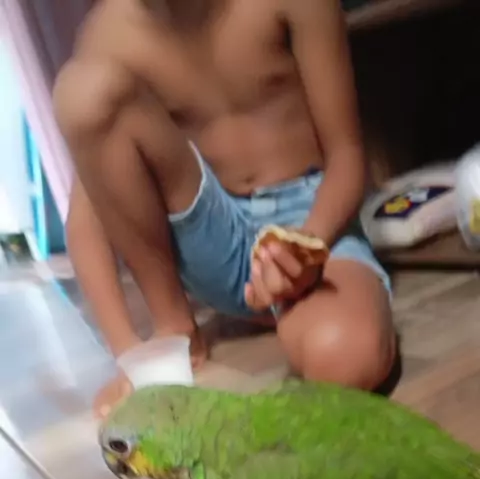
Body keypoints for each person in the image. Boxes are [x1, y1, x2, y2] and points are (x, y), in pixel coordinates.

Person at [54, 0, 395, 418]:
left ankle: (304, 310)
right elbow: (86, 217)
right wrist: (128, 354)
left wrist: (308, 244)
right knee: (83, 91)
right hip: (209, 230)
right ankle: (175, 327)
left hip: (312, 221)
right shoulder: (110, 32)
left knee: (343, 358)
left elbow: (348, 156)